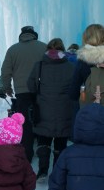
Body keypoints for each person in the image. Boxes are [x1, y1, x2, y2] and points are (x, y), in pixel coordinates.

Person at [27, 38, 77, 181]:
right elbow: (76, 87)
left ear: (48, 49)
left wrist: (40, 95)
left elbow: (30, 84)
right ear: (62, 50)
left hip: (44, 107)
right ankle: (58, 172)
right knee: (60, 142)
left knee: (44, 139)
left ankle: (42, 171)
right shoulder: (70, 67)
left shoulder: (40, 66)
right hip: (64, 108)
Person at [0, 25, 47, 162]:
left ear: (21, 35)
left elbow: (6, 71)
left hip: (22, 91)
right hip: (41, 90)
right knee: (42, 120)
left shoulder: (13, 50)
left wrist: (8, 88)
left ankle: (27, 155)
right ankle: (43, 151)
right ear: (34, 34)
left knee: (24, 123)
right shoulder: (43, 47)